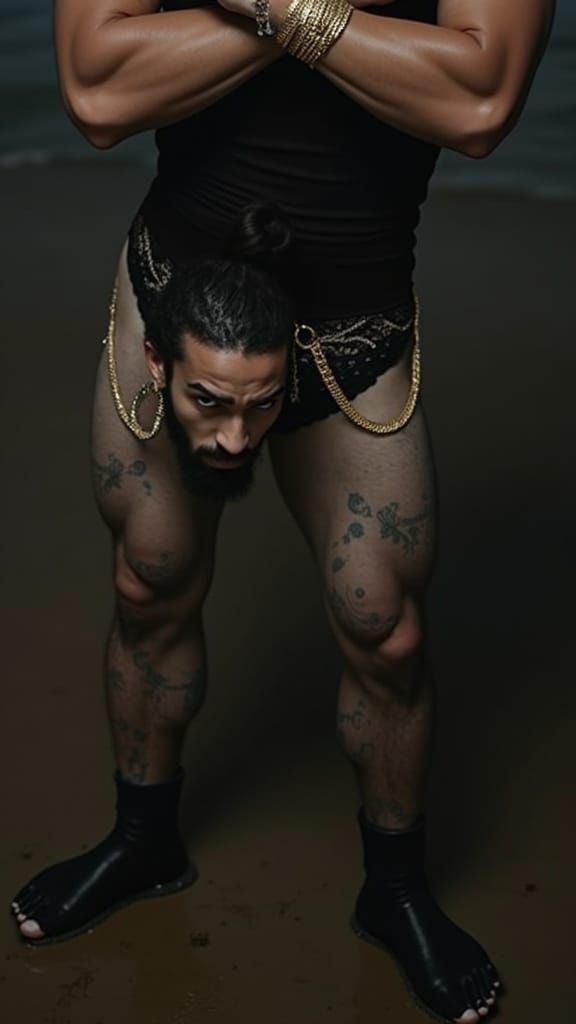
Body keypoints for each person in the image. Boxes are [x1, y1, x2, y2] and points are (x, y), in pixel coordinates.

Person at [11, 1, 555, 1022]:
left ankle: (393, 887)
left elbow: (478, 103)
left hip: (354, 330)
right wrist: (328, 19)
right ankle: (145, 836)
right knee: (149, 580)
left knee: (384, 631)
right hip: (177, 299)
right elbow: (97, 90)